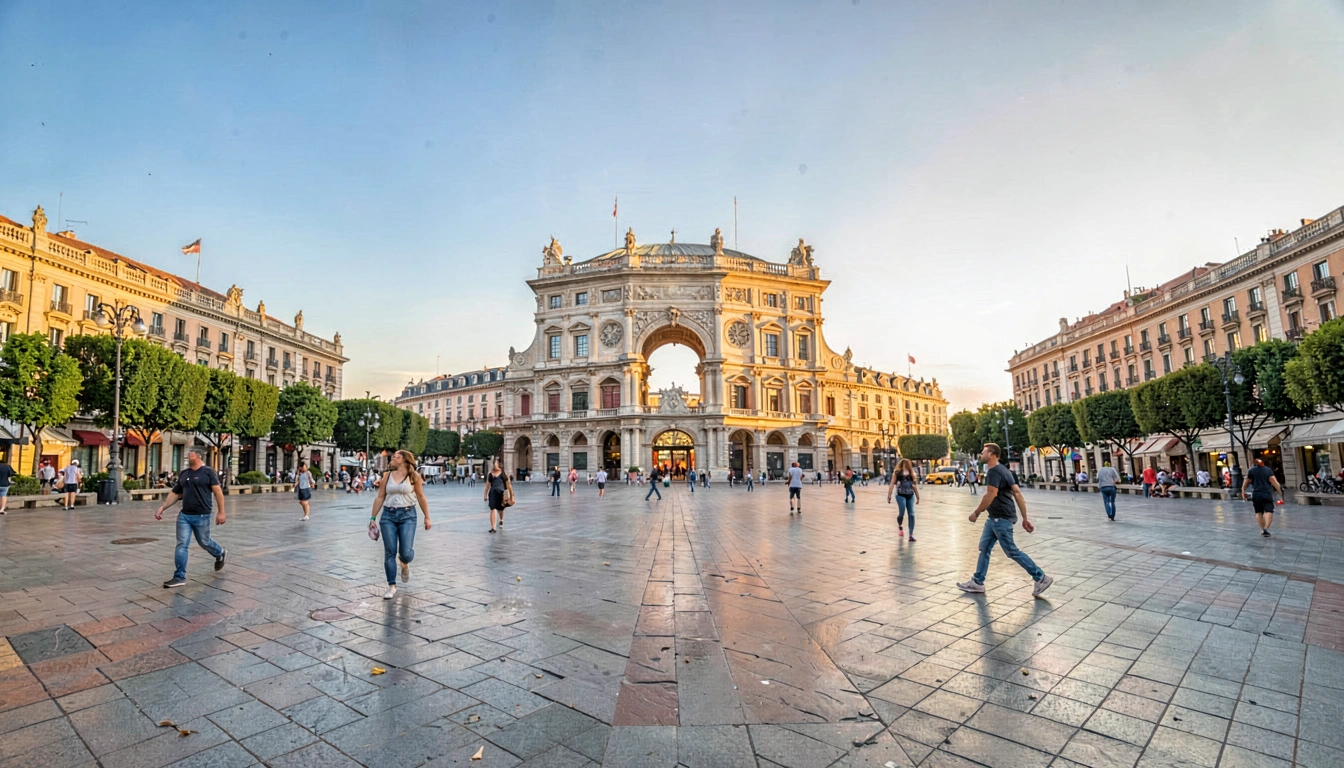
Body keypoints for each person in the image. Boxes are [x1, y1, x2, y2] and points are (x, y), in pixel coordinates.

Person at [957, 443, 1052, 597]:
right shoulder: (1005, 470)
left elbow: (991, 494)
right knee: (984, 547)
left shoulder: (994, 472)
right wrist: (1024, 518)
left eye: (983, 452)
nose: (981, 454)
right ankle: (977, 582)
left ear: (992, 454)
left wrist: (976, 512)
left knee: (1011, 551)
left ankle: (1040, 577)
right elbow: (1018, 494)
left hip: (1000, 519)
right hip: (995, 518)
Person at [155, 449, 227, 588]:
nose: (189, 454)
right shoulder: (184, 473)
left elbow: (218, 493)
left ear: (199, 456)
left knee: (204, 542)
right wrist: (163, 507)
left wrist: (221, 512)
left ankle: (220, 552)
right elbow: (176, 493)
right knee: (182, 545)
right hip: (185, 516)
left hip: (202, 515)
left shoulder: (208, 472)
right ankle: (179, 576)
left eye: (192, 453)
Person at [369, 450, 432, 599]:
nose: (393, 458)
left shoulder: (414, 477)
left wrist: (427, 517)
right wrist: (372, 518)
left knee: (405, 552)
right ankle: (392, 586)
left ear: (404, 460)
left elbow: (421, 497)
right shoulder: (386, 476)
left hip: (408, 515)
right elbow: (380, 497)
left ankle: (404, 563)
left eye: (396, 457)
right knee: (390, 551)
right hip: (388, 516)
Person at [1242, 458, 1282, 537]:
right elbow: (1275, 482)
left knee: (1258, 512)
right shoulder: (1268, 470)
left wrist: (1243, 491)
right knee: (1268, 511)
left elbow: (1245, 483)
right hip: (1266, 493)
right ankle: (1266, 528)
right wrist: (1280, 492)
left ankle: (1263, 530)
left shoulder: (1251, 471)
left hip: (1256, 494)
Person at [887, 458, 919, 540]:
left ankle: (911, 535)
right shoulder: (897, 473)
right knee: (902, 512)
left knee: (911, 514)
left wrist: (918, 497)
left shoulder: (912, 474)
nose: (907, 466)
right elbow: (892, 484)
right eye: (905, 464)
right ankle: (900, 525)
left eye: (908, 464)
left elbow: (914, 486)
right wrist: (889, 495)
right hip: (900, 495)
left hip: (910, 495)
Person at [484, 459, 512, 533]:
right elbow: (487, 486)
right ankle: (493, 528)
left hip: (501, 494)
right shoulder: (490, 474)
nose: (494, 464)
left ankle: (501, 520)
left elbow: (508, 485)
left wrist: (511, 495)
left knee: (501, 509)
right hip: (493, 493)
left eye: (496, 463)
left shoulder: (503, 474)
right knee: (492, 508)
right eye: (494, 463)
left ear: (499, 464)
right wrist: (485, 495)